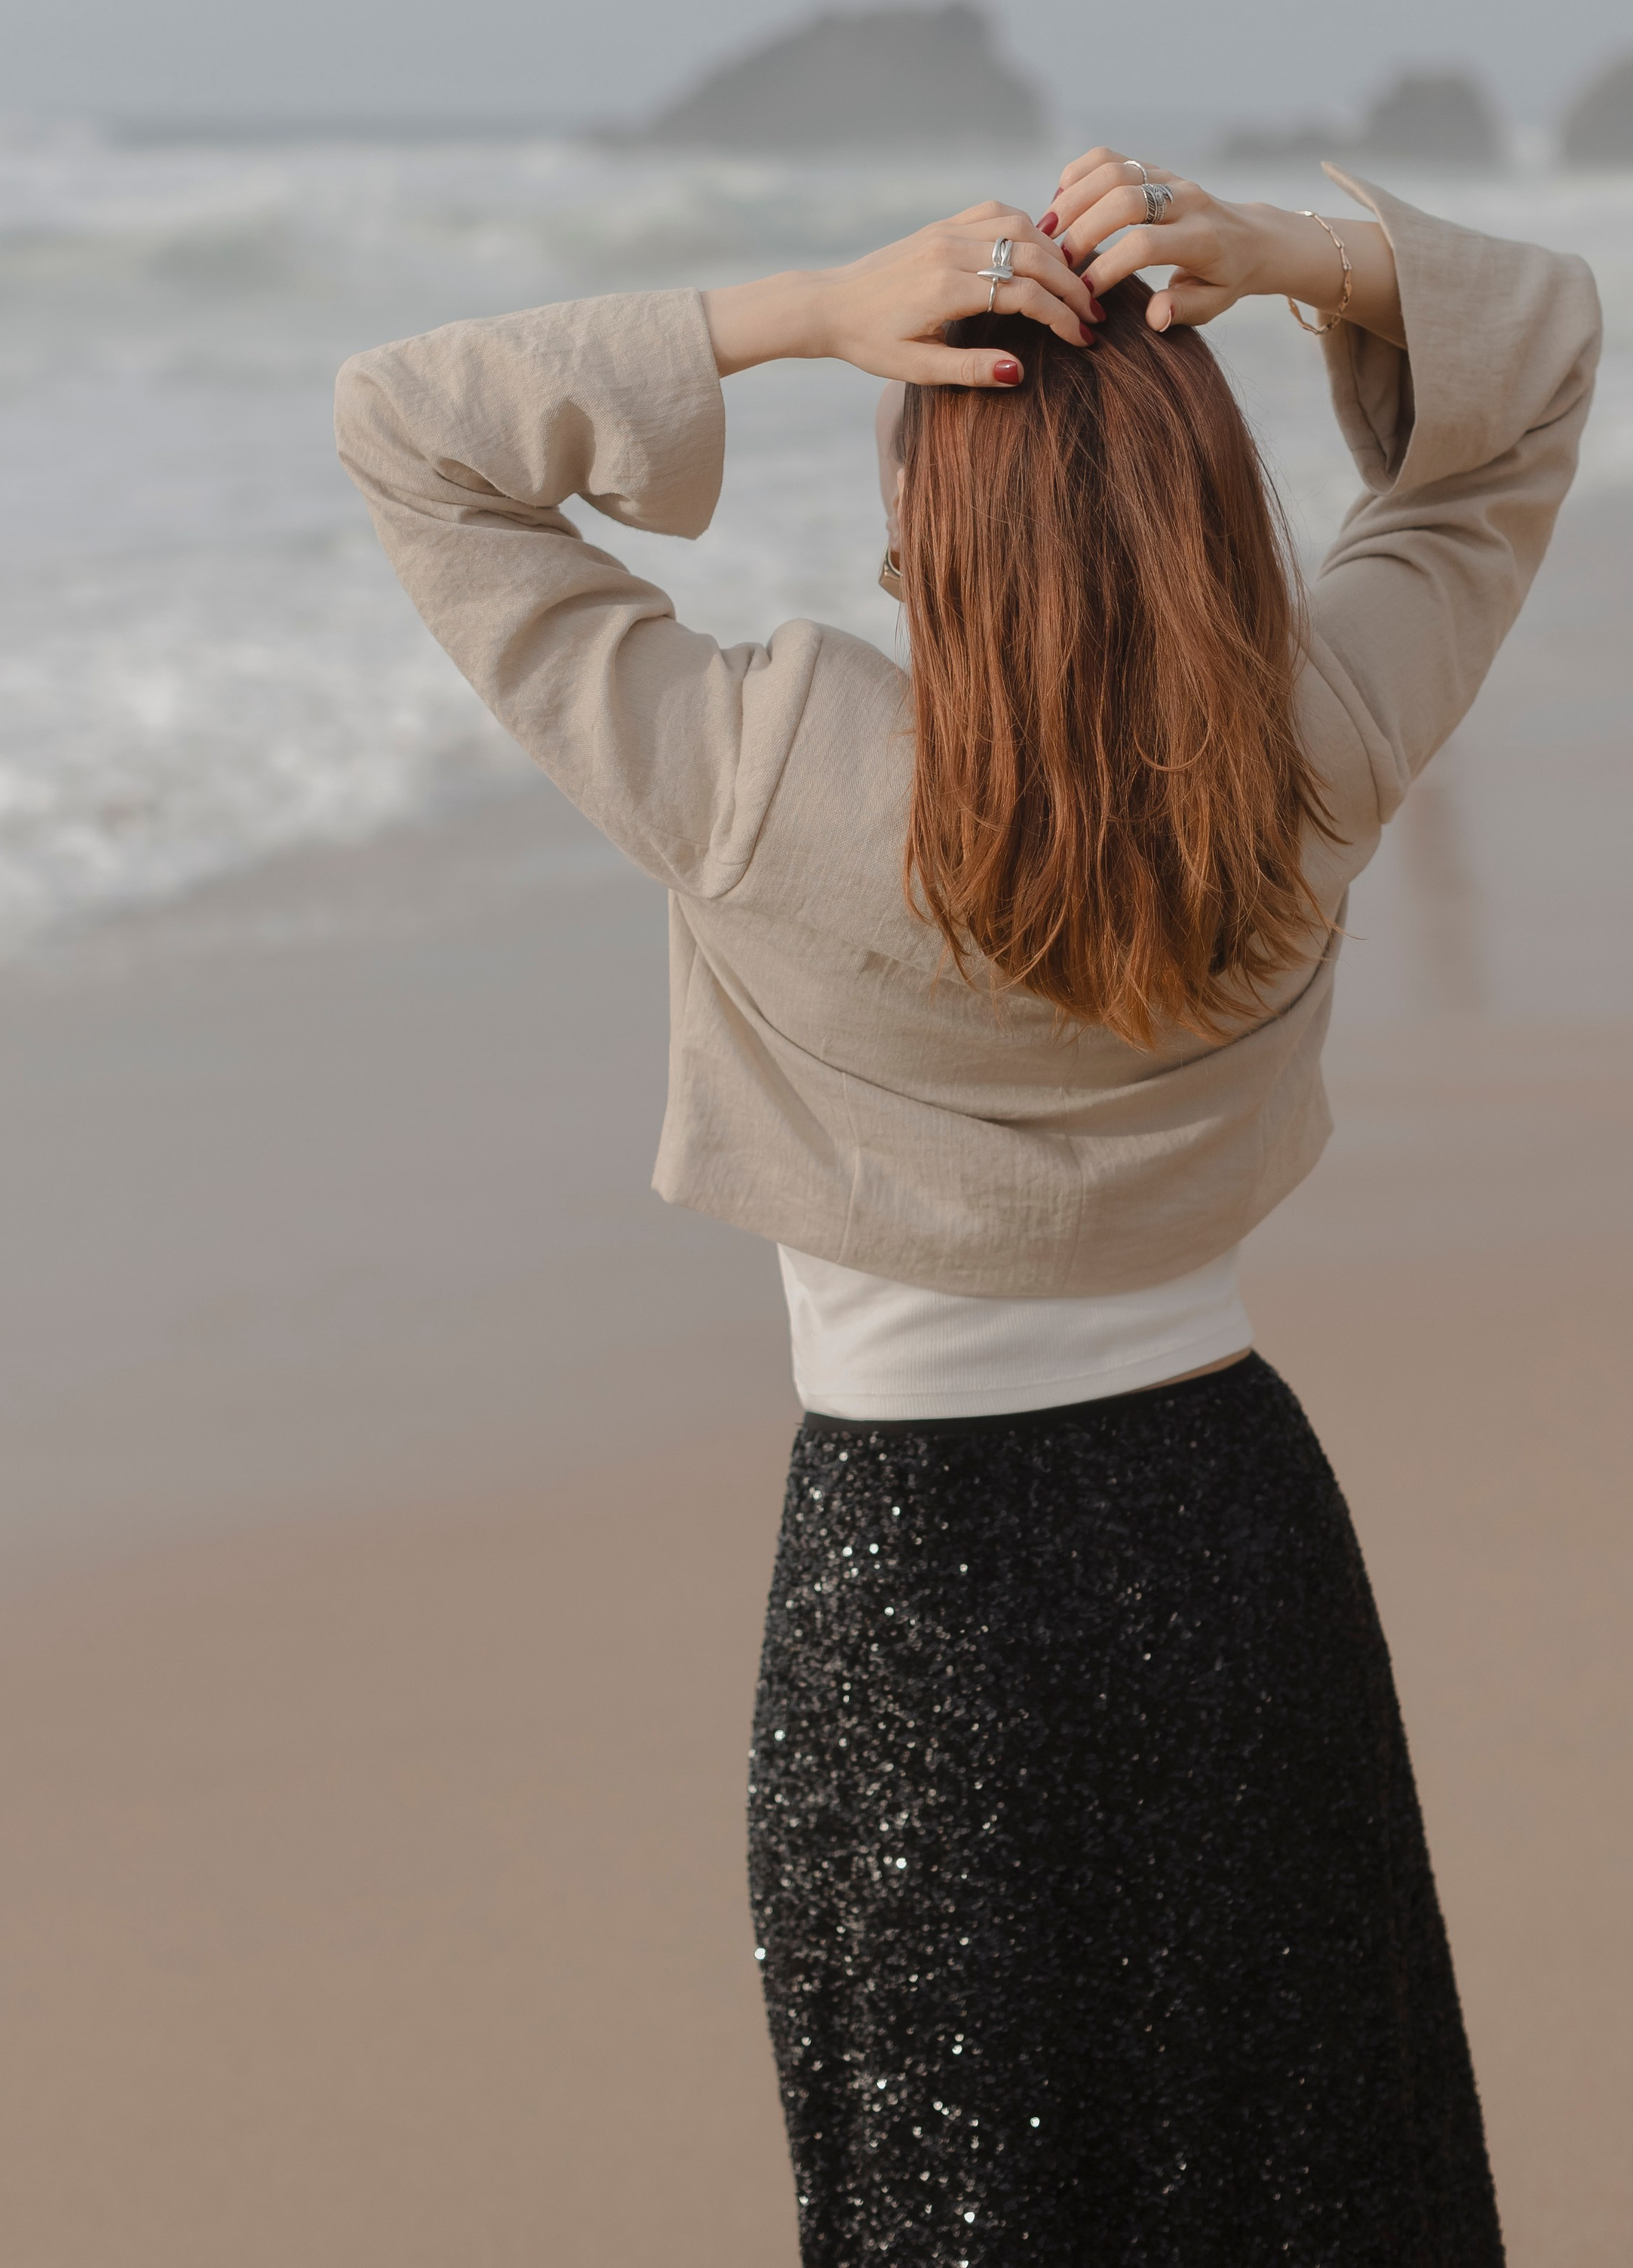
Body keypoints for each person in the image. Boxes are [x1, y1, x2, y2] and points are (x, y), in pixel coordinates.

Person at [335, 146, 1598, 2261]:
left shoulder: (766, 771)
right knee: (1301, 2169)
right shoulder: (1321, 741)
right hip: (1238, 1545)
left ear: (932, 512)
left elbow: (410, 431)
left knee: (972, 2196)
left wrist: (807, 310)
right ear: (1212, 500)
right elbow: (1537, 374)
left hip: (917, 1593)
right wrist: (1280, 252)